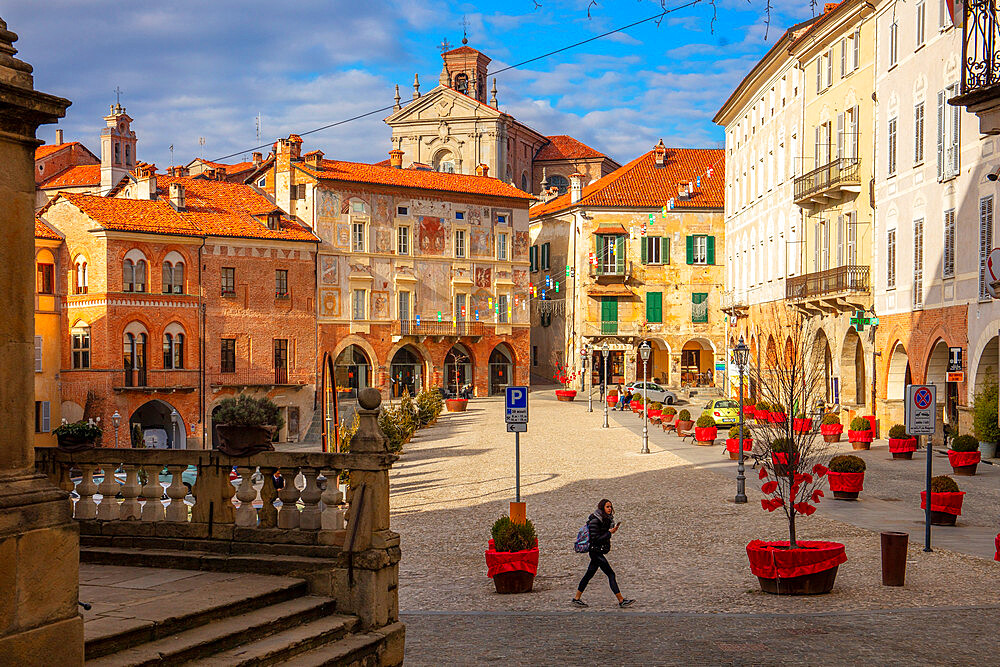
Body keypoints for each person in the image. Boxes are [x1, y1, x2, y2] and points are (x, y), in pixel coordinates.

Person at [572, 499, 634, 608]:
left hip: (598, 551)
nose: (610, 509)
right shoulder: (595, 521)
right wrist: (609, 533)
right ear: (602, 508)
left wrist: (610, 531)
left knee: (588, 575)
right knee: (611, 574)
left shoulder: (605, 520)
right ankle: (621, 600)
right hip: (595, 552)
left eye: (610, 507)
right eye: (607, 507)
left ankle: (576, 598)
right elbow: (595, 538)